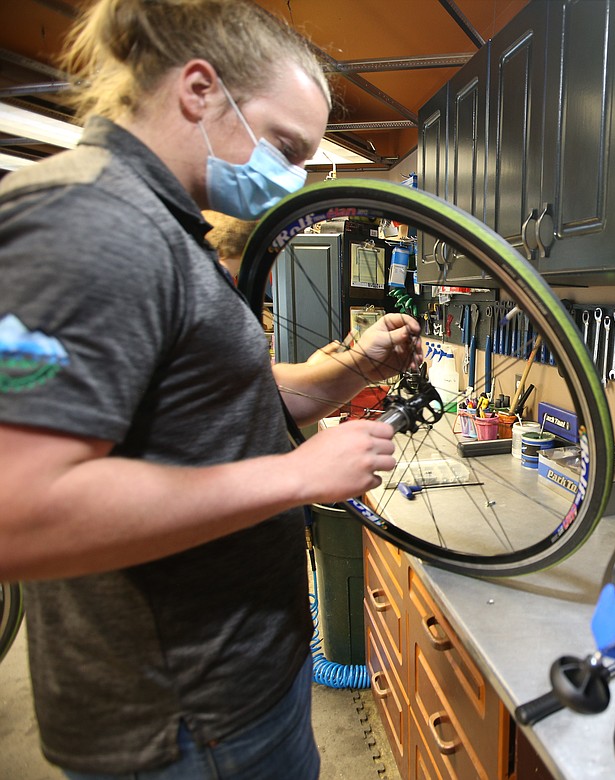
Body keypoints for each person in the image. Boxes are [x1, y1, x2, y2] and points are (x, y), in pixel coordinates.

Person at [0, 1, 423, 777]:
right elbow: (15, 513)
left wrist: (353, 368)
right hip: (185, 721)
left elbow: (222, 402)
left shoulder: (167, 228)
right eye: (285, 146)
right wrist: (298, 475)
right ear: (199, 90)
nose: (291, 177)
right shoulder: (94, 220)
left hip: (243, 683)